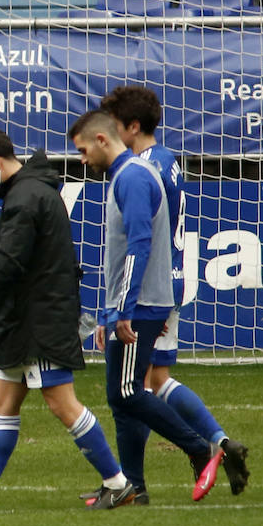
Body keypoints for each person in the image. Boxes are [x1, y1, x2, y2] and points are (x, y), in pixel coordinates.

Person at [0, 128, 133, 512]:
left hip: (38, 320)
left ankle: (118, 483)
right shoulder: (32, 191)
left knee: (62, 404)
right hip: (26, 320)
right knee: (3, 403)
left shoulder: (25, 199)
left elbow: (9, 263)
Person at [96, 85, 248, 499]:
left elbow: (143, 238)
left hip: (153, 286)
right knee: (154, 380)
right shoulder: (166, 159)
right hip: (169, 279)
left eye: (114, 124)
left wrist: (130, 303)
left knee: (132, 389)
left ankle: (139, 480)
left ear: (132, 127)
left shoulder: (142, 169)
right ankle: (219, 442)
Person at [69, 109, 221, 504]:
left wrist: (123, 309)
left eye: (83, 151)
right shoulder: (128, 174)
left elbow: (139, 245)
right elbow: (124, 251)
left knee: (127, 393)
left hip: (140, 305)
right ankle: (132, 487)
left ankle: (200, 448)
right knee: (122, 399)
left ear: (102, 140)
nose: (82, 160)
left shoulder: (134, 177)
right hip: (133, 303)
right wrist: (110, 312)